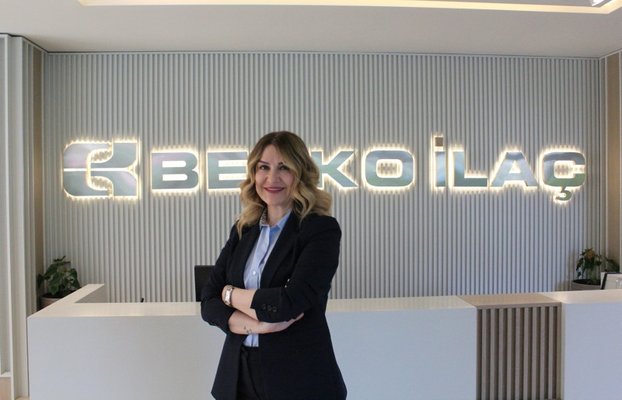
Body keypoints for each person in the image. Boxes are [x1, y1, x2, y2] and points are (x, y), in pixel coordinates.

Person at [201, 131, 347, 400]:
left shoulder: (320, 230)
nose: (272, 178)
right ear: (253, 174)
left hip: (298, 378)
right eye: (263, 168)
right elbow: (208, 301)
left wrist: (229, 294)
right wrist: (259, 326)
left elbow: (288, 303)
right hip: (238, 376)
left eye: (284, 168)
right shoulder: (244, 229)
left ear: (300, 173)